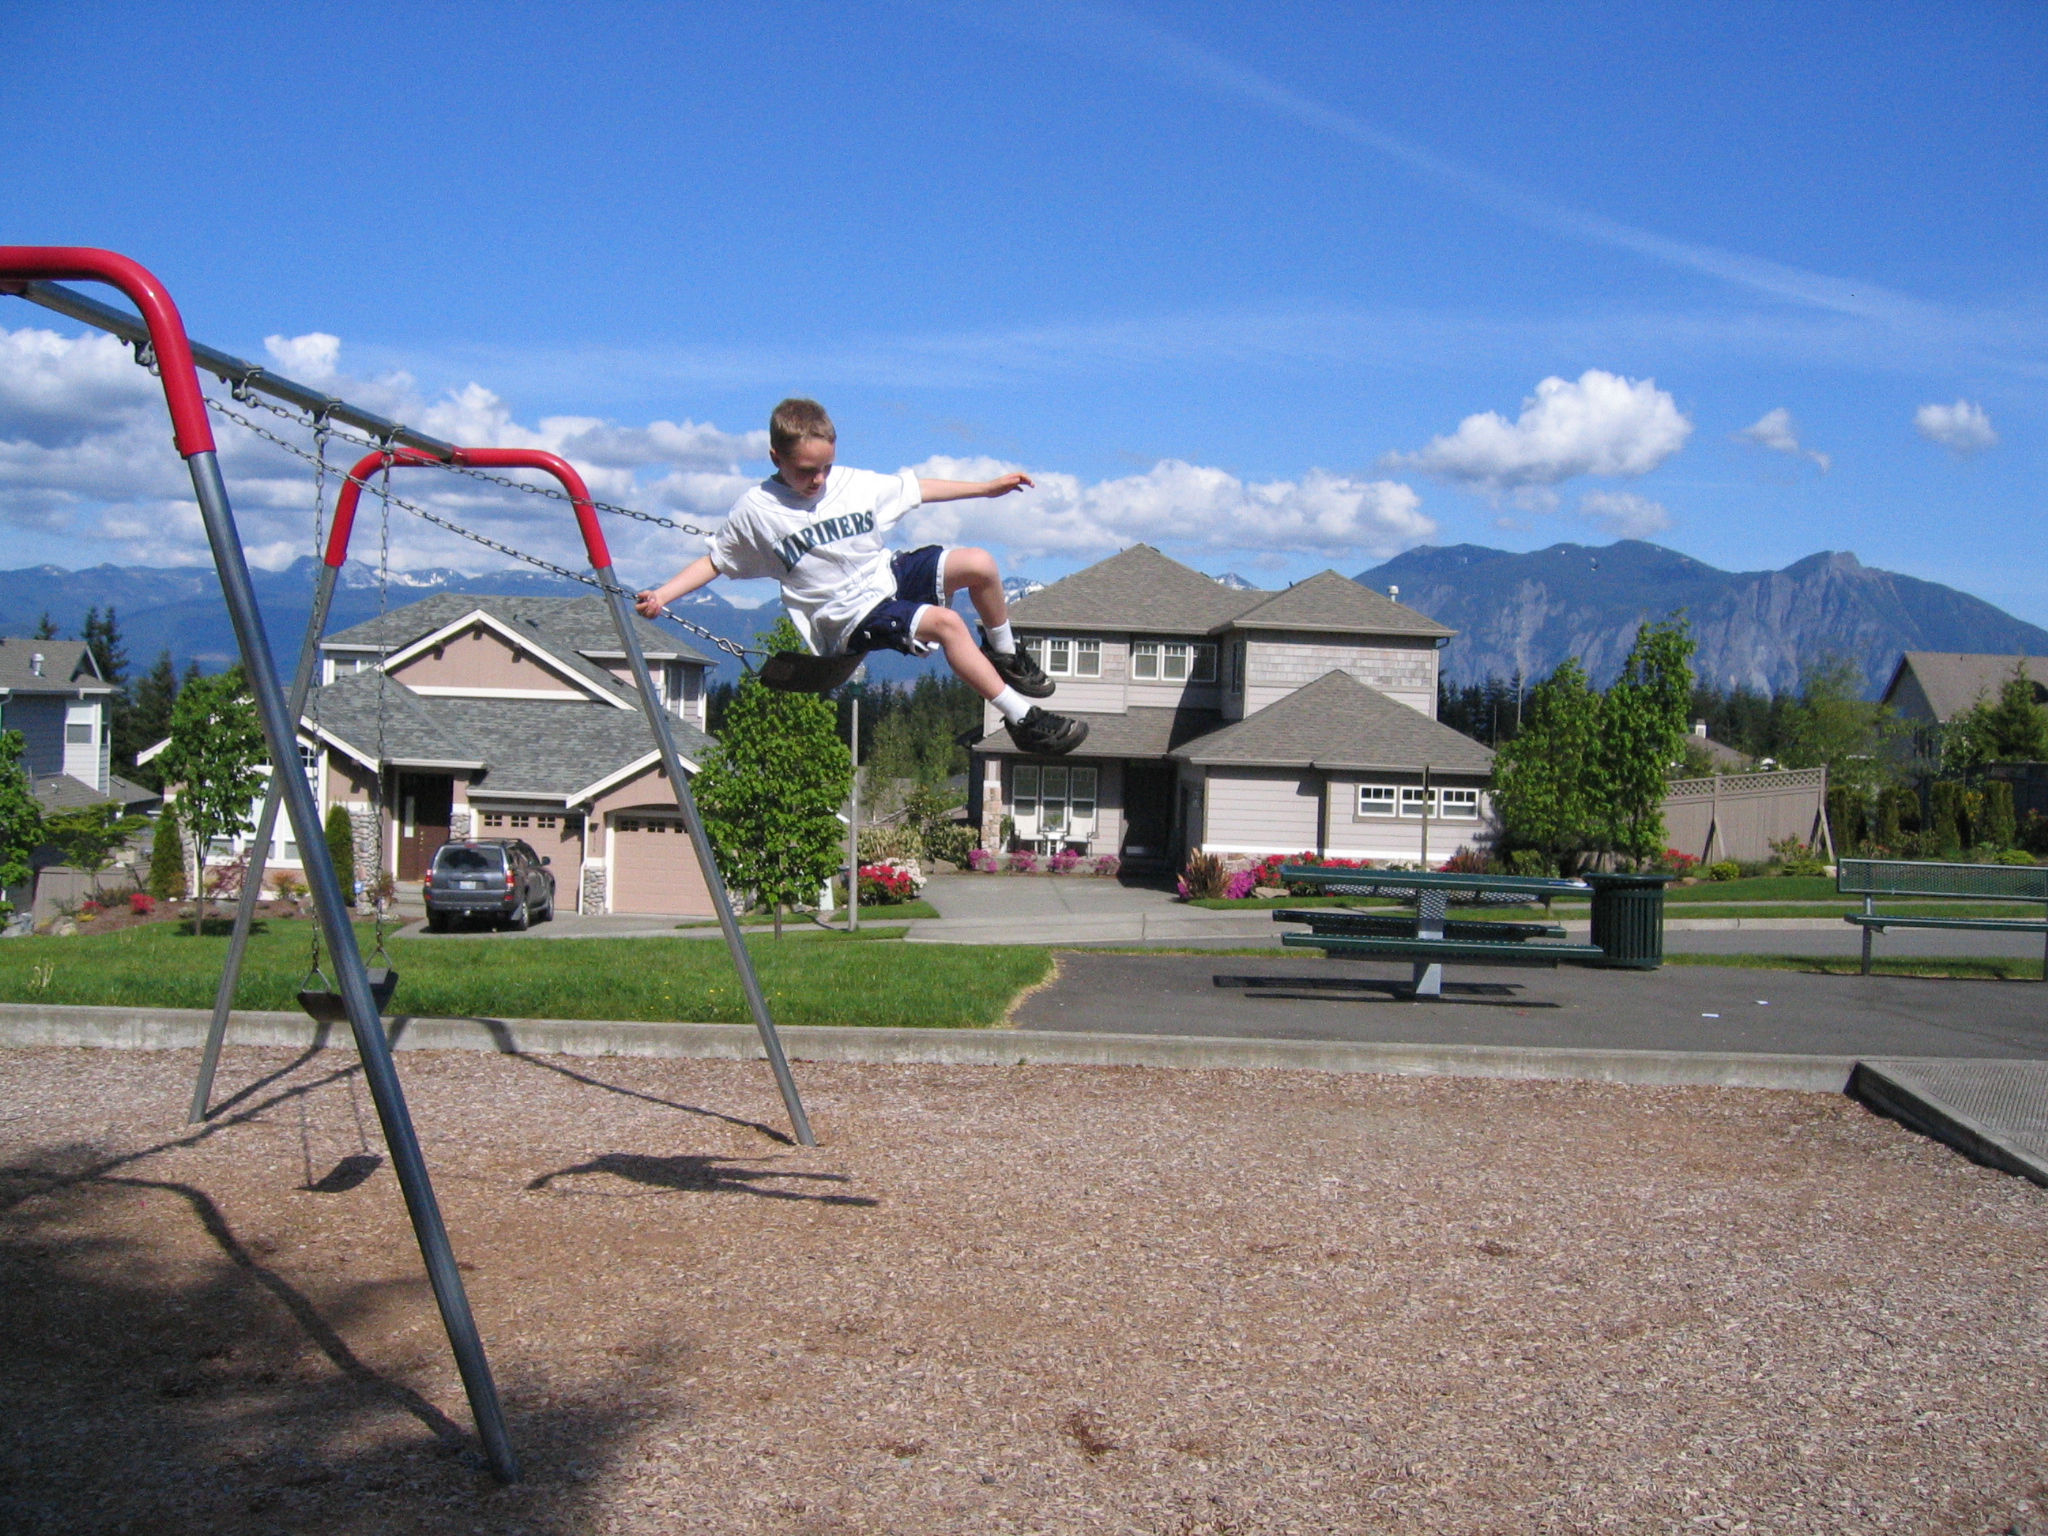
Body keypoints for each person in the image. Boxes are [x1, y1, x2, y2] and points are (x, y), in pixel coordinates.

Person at [636, 397, 1089, 755]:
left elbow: (919, 489)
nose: (818, 479)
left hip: (886, 576)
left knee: (980, 563)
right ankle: (1023, 720)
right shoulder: (756, 511)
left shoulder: (852, 483)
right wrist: (663, 595)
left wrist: (985, 488)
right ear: (776, 456)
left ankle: (1005, 655)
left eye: (826, 467)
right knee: (949, 624)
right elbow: (715, 561)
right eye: (805, 471)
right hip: (848, 615)